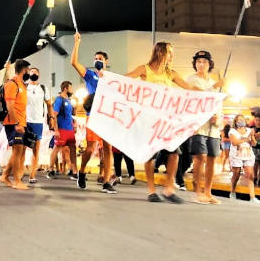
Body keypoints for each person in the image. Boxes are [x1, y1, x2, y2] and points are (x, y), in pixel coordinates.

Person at [125, 42, 204, 203]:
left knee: (174, 153)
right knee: (150, 156)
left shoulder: (171, 74)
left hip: (167, 121)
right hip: (149, 121)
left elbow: (188, 87)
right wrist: (106, 78)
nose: (172, 55)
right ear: (160, 53)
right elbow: (125, 80)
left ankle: (169, 188)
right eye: (169, 52)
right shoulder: (144, 70)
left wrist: (211, 95)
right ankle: (151, 190)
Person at [70, 33, 117, 194]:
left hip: (107, 116)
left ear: (106, 62)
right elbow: (74, 63)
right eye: (96, 58)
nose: (98, 60)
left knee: (107, 148)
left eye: (101, 58)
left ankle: (106, 180)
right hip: (93, 116)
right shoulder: (90, 75)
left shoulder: (111, 78)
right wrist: (77, 43)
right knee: (90, 149)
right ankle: (82, 172)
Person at [185, 50, 225, 204]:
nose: (201, 64)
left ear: (210, 64)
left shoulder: (213, 82)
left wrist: (219, 120)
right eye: (198, 62)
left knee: (212, 159)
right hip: (198, 126)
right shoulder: (191, 80)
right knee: (199, 157)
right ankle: (197, 192)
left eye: (204, 62)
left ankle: (208, 192)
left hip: (213, 128)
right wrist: (216, 86)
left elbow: (219, 105)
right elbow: (199, 96)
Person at [0, 59, 30, 190]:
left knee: (19, 151)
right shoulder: (12, 84)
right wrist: (16, 122)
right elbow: (9, 105)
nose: (29, 72)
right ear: (24, 70)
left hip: (21, 122)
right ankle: (17, 181)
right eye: (28, 70)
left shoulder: (21, 84)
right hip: (13, 122)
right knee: (17, 151)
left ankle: (5, 176)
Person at [49, 81, 82, 183]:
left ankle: (74, 171)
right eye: (71, 88)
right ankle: (51, 170)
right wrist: (56, 130)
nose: (72, 90)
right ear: (65, 89)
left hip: (70, 130)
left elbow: (72, 114)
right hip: (62, 129)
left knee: (73, 149)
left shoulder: (69, 100)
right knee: (56, 148)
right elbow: (54, 115)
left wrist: (74, 124)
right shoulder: (59, 100)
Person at [25, 67, 52, 184]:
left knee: (36, 150)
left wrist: (51, 118)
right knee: (21, 149)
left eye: (35, 72)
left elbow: (49, 105)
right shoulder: (24, 86)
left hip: (38, 123)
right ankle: (20, 172)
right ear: (28, 74)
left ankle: (32, 175)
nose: (33, 74)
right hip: (25, 121)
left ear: (39, 75)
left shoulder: (43, 88)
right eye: (31, 72)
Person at [228, 114, 260, 203]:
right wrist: (246, 139)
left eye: (242, 119)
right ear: (235, 121)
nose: (241, 121)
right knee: (236, 174)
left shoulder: (249, 130)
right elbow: (235, 142)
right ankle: (232, 191)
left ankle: (252, 197)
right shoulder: (232, 131)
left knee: (250, 175)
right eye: (238, 120)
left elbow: (254, 144)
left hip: (248, 155)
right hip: (236, 155)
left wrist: (252, 137)